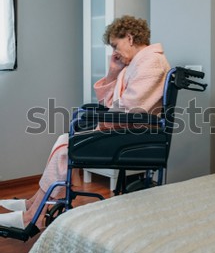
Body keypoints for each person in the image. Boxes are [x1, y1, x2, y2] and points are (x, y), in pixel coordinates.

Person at [0, 15, 170, 230]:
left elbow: (129, 109)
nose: (114, 52)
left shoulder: (151, 62)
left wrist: (100, 121)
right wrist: (113, 73)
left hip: (135, 137)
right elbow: (111, 104)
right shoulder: (136, 64)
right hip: (129, 131)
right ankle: (33, 204)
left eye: (115, 45)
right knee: (66, 140)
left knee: (66, 146)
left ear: (129, 37)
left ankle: (32, 217)